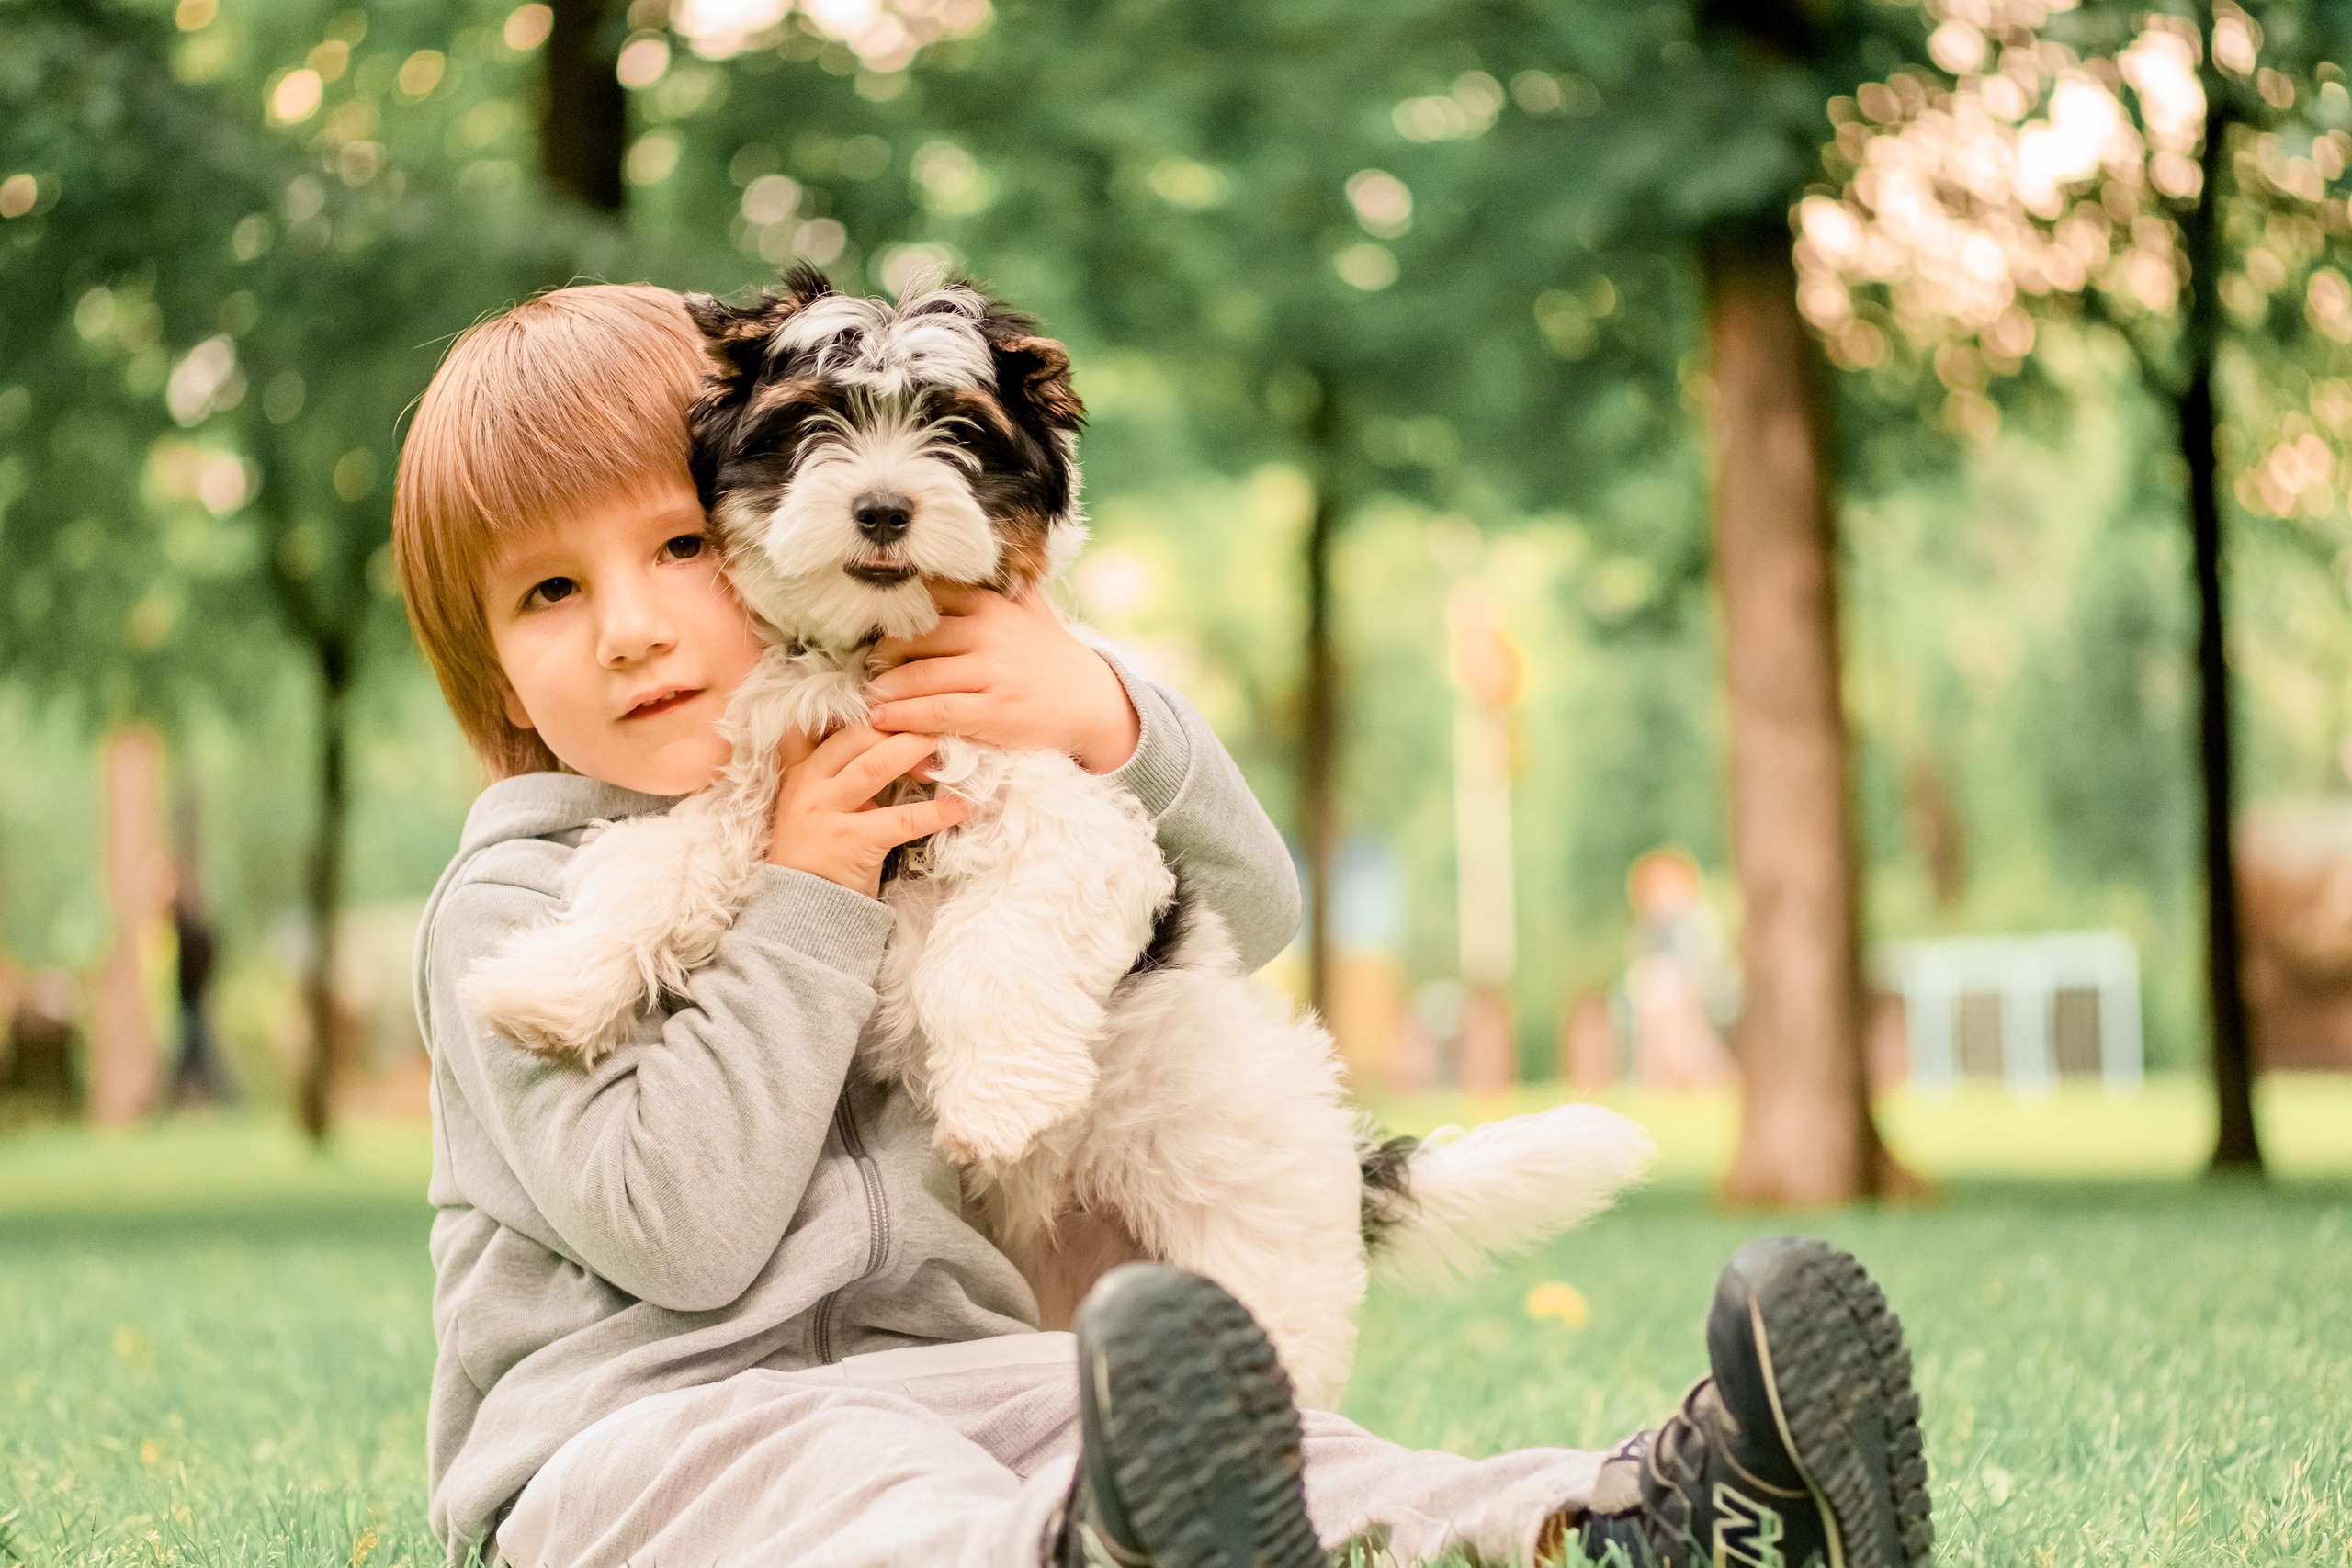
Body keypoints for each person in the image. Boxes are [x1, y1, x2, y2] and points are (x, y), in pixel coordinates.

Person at [391, 283, 1933, 1568]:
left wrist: (1104, 712)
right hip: (641, 1438)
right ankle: (1087, 1547)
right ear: (489, 669)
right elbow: (683, 1232)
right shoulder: (517, 905)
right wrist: (805, 889)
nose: (634, 626)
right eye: (546, 593)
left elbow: (1246, 910)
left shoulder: (880, 734)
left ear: (746, 540)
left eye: (671, 549)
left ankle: (1648, 1511)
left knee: (1269, 1446)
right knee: (874, 1485)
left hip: (957, 1372)